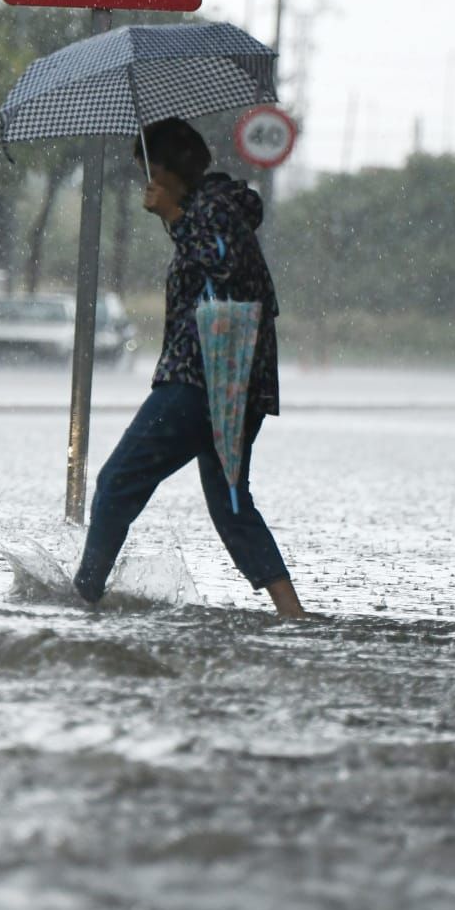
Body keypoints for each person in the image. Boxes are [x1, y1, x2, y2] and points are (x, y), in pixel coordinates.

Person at [72, 118, 307, 617]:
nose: (146, 183)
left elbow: (224, 261)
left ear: (170, 168)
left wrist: (174, 215)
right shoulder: (219, 208)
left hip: (200, 379)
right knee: (231, 503)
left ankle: (83, 596)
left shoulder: (212, 208)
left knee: (117, 482)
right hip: (234, 382)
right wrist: (176, 217)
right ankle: (292, 613)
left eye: (149, 171)